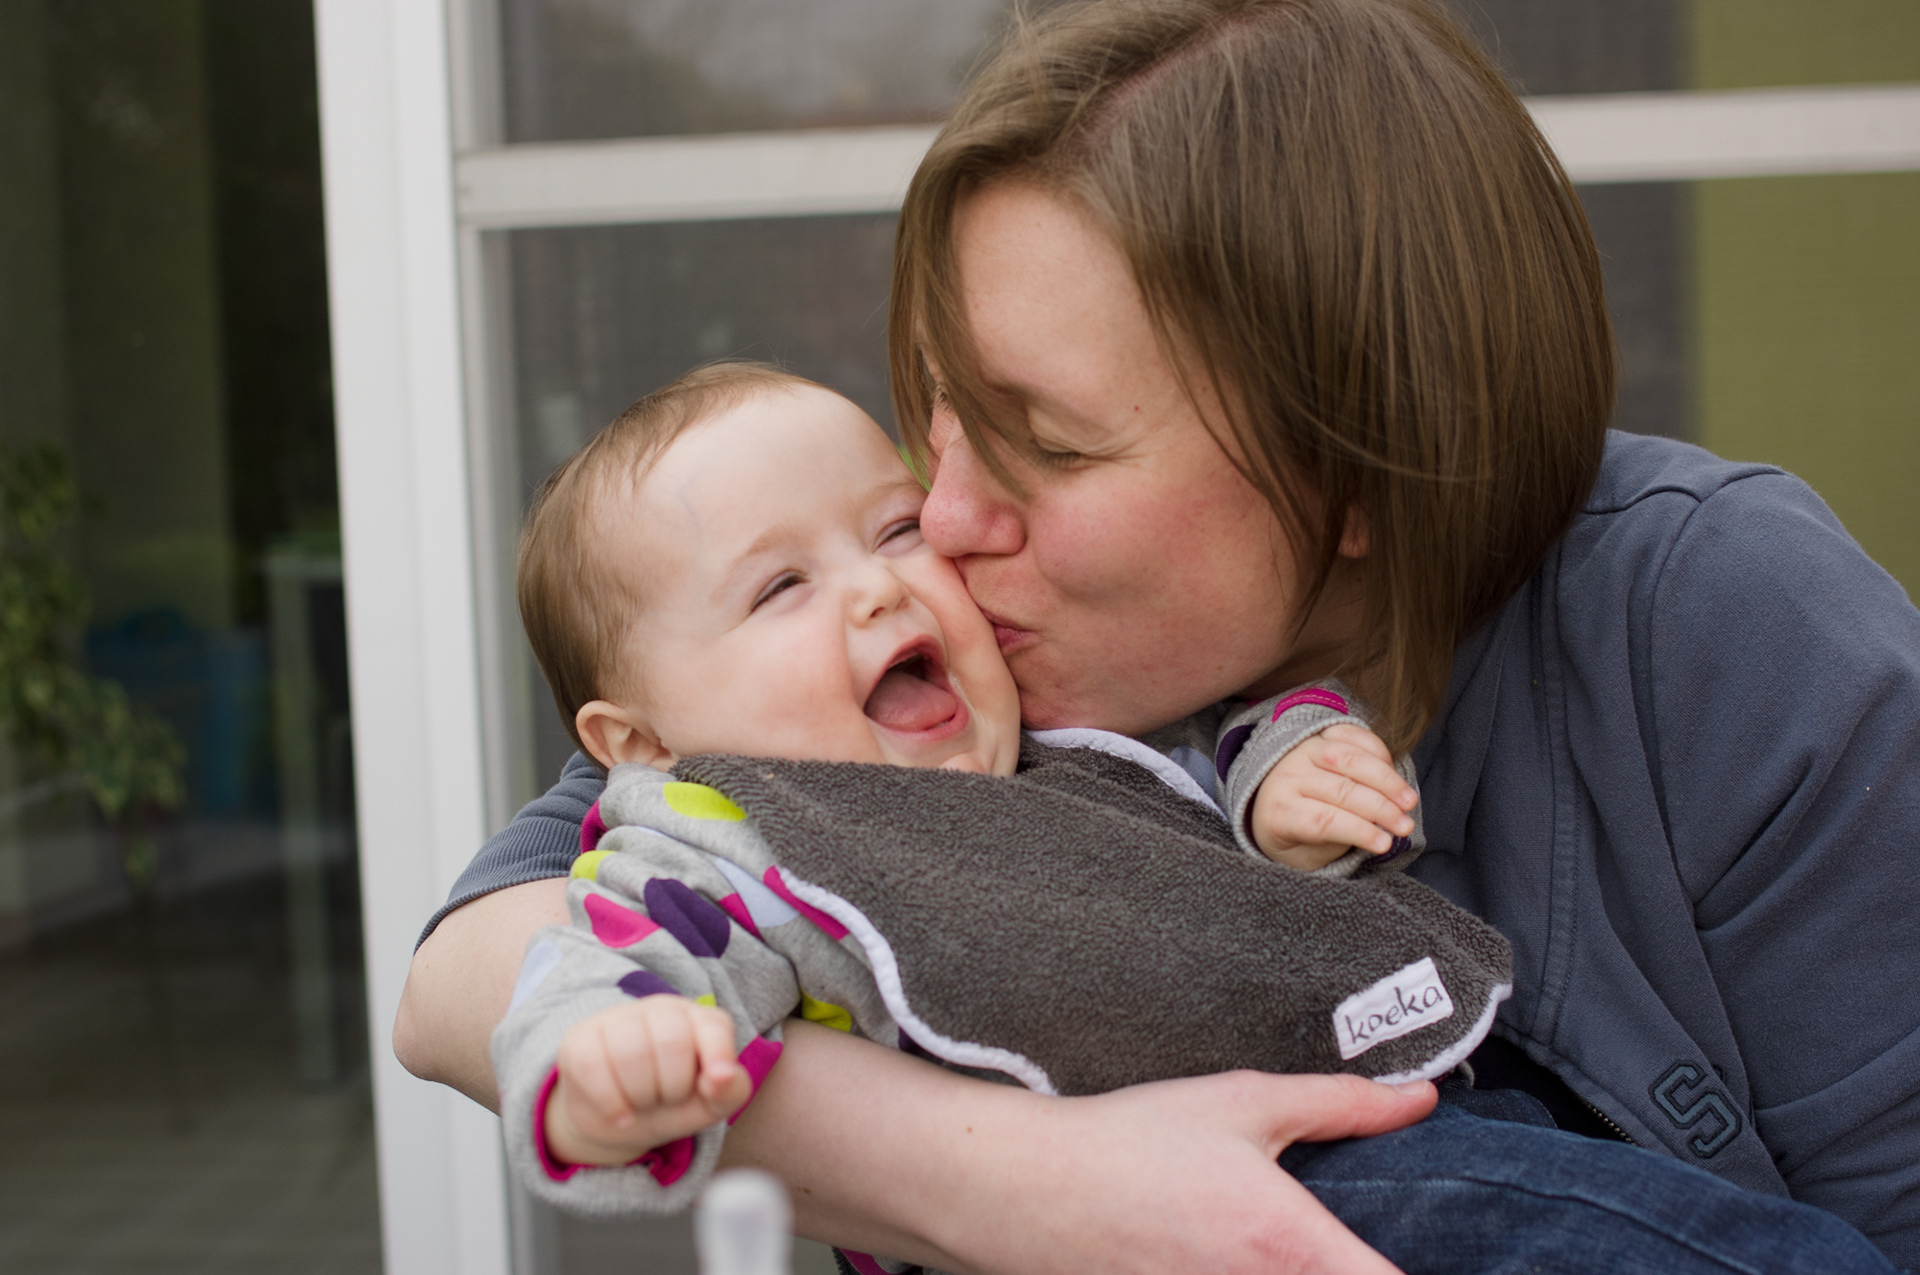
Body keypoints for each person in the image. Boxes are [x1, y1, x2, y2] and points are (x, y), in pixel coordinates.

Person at [396, 1, 1920, 1269]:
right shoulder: (905, 681)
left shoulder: (1720, 621)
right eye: (938, 411)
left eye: (1048, 443)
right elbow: (468, 981)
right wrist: (1031, 1181)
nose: (942, 519)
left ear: (1361, 467)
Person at [489, 362, 1887, 1275]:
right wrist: (608, 1057)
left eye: (897, 528)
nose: (879, 587)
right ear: (638, 745)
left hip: (1408, 1112)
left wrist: (1290, 771)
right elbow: (606, 959)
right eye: (781, 588)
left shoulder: (1050, 734)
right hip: (1247, 1196)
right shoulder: (727, 840)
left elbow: (1206, 763)